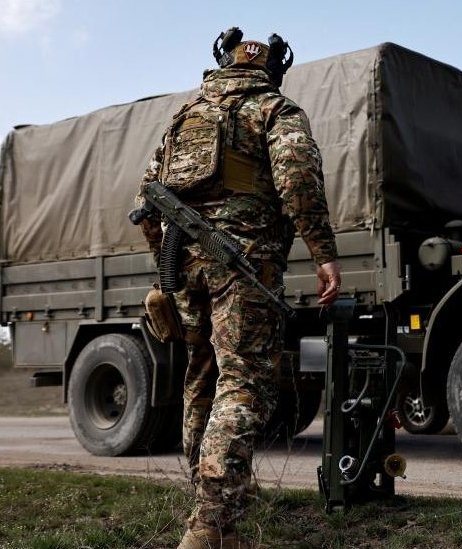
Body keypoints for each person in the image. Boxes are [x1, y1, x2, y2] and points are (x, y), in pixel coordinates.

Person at [135, 28, 341, 549]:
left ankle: (215, 519)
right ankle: (208, 526)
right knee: (244, 381)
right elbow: (298, 181)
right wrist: (324, 256)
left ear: (223, 62)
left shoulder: (186, 116)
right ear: (273, 68)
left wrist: (167, 267)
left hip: (183, 264)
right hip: (243, 265)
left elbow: (148, 195)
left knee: (202, 379)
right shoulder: (276, 110)